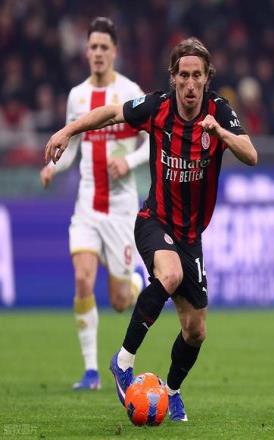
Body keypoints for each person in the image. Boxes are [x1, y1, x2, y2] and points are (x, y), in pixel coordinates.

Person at [44, 37, 258, 421]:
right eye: (183, 76)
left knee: (195, 331)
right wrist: (67, 131)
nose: (190, 84)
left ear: (207, 78)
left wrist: (221, 134)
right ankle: (123, 361)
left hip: (191, 237)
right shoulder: (157, 107)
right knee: (169, 274)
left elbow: (251, 155)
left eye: (197, 76)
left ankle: (171, 392)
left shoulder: (219, 111)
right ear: (173, 78)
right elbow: (110, 114)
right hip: (154, 221)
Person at [39, 17, 149, 391]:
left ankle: (135, 282)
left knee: (119, 301)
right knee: (83, 278)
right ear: (86, 52)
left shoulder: (130, 91)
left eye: (105, 47)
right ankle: (90, 372)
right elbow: (72, 147)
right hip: (87, 203)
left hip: (121, 209)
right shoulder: (77, 96)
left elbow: (152, 141)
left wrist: (129, 162)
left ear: (114, 51)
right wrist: (54, 167)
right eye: (93, 47)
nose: (98, 53)